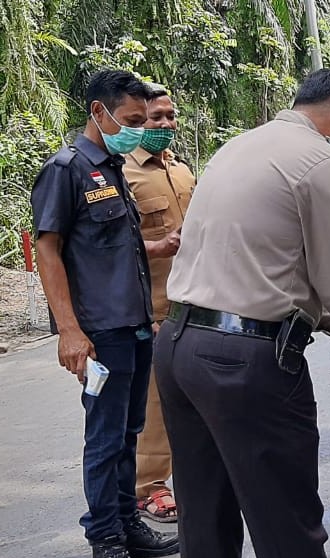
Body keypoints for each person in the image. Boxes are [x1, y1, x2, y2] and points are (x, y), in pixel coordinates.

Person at [153, 68, 330, 558]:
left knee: (204, 511)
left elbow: (261, 259)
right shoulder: (327, 161)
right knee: (285, 520)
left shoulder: (238, 147)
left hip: (178, 346)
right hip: (243, 364)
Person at [30, 69, 179, 558]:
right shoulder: (66, 169)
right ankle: (106, 542)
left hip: (136, 323)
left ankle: (128, 524)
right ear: (99, 112)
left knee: (129, 433)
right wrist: (69, 332)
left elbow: (117, 247)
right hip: (100, 332)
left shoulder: (112, 168)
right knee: (104, 438)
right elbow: (48, 251)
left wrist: (156, 259)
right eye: (133, 120)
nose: (140, 129)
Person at [123, 84, 195, 523]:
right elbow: (108, 248)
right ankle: (148, 486)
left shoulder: (183, 171)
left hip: (193, 305)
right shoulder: (122, 174)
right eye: (155, 118)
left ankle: (187, 474)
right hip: (150, 309)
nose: (165, 124)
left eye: (170, 116)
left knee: (188, 396)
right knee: (151, 404)